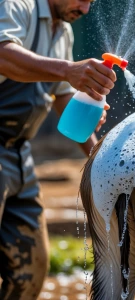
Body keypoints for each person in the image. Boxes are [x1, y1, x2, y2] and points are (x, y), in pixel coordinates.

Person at [0, 0, 117, 298]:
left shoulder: (63, 32)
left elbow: (62, 98)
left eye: (91, 1)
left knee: (31, 269)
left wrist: (99, 159)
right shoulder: (15, 6)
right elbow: (2, 55)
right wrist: (67, 70)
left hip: (18, 154)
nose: (86, 9)